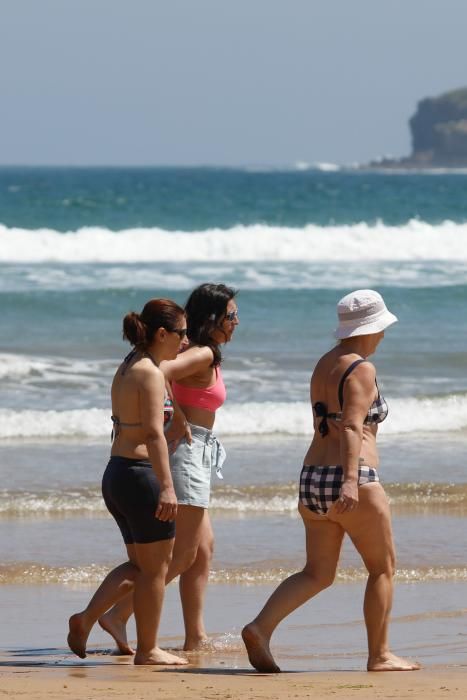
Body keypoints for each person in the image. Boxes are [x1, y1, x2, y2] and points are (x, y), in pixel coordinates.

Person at [242, 289, 421, 673]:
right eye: (381, 329)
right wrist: (351, 482)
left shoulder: (324, 364)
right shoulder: (362, 368)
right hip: (351, 478)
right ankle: (380, 655)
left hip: (311, 478)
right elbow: (353, 426)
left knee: (317, 573)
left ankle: (260, 627)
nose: (383, 336)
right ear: (368, 329)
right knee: (382, 568)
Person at [98, 283, 239, 652]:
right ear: (212, 319)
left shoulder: (195, 350)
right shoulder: (202, 352)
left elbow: (162, 371)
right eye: (231, 315)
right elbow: (159, 371)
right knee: (179, 556)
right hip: (185, 455)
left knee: (202, 550)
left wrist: (174, 411)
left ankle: (195, 635)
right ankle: (117, 614)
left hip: (195, 452)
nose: (237, 322)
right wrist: (175, 417)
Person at [67, 298, 188, 665]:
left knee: (140, 566)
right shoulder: (150, 373)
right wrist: (166, 486)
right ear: (162, 333)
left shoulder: (129, 366)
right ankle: (149, 649)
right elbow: (153, 435)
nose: (185, 342)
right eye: (181, 334)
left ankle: (86, 618)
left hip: (118, 473)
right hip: (139, 477)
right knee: (155, 569)